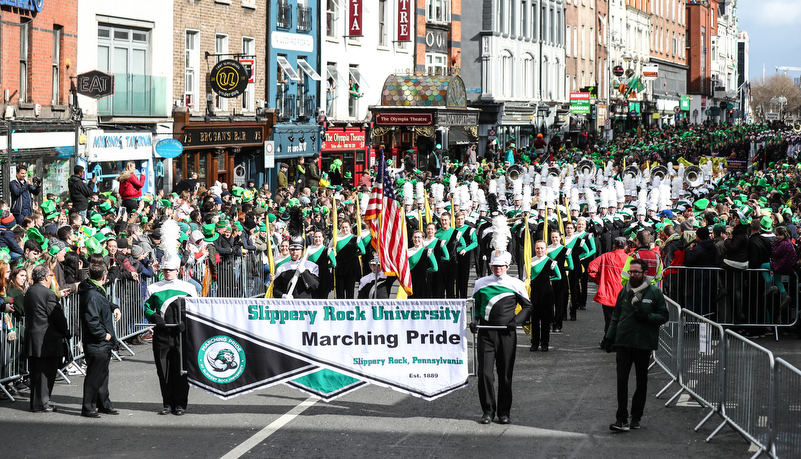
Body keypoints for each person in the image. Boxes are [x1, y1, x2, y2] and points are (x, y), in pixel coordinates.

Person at [602, 259, 669, 432]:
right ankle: (621, 419)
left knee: (641, 382)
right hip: (624, 342)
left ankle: (636, 417)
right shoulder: (624, 291)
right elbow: (616, 315)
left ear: (644, 273)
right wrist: (609, 338)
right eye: (631, 272)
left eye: (636, 272)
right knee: (621, 381)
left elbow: (664, 315)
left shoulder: (654, 292)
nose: (632, 275)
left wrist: (647, 318)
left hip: (643, 343)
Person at [470, 250, 533, 425]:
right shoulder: (480, 283)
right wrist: (474, 321)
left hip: (507, 334)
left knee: (505, 374)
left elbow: (528, 307)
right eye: (495, 265)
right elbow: (474, 307)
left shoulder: (516, 284)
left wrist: (516, 321)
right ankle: (488, 411)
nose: (498, 268)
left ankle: (504, 412)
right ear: (491, 266)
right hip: (486, 334)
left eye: (501, 266)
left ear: (507, 266)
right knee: (485, 374)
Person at [144, 254, 197, 416]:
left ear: (178, 270)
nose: (168, 272)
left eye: (171, 270)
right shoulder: (153, 288)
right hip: (162, 334)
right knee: (163, 369)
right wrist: (154, 318)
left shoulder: (189, 288)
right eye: (165, 270)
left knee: (181, 370)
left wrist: (186, 323)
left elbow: (196, 310)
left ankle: (181, 404)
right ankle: (167, 403)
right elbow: (147, 308)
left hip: (181, 334)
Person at [79, 263, 121, 418]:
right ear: (104, 277)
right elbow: (92, 319)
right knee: (94, 375)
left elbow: (101, 303)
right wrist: (102, 334)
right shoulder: (92, 294)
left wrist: (113, 306)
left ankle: (103, 404)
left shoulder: (93, 290)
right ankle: (88, 407)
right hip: (97, 342)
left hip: (100, 343)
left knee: (102, 374)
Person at [24, 264, 68, 412]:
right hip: (46, 339)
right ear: (44, 277)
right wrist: (65, 331)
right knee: (45, 373)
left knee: (36, 372)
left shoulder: (30, 291)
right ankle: (43, 403)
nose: (51, 278)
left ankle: (37, 403)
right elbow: (57, 317)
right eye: (50, 275)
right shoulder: (48, 294)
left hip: (34, 337)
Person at [588, 237, 629, 347]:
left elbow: (591, 268)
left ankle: (608, 341)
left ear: (614, 245)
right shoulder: (628, 259)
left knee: (609, 320)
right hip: (623, 294)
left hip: (607, 294)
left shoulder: (605, 256)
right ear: (625, 246)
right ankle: (616, 342)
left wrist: (600, 281)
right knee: (621, 320)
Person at [529, 240, 561, 352]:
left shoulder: (551, 261)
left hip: (546, 294)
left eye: (542, 248)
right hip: (534, 294)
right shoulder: (530, 261)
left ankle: (545, 343)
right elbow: (525, 277)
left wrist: (548, 279)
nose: (540, 250)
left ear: (546, 249)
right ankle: (534, 342)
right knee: (535, 320)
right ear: (534, 249)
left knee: (545, 321)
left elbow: (559, 276)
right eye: (537, 248)